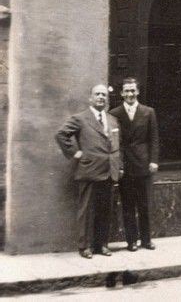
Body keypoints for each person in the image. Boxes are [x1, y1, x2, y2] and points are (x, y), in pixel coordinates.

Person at [55, 84, 122, 259]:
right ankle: (84, 246)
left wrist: (118, 164)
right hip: (89, 170)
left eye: (104, 95)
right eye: (97, 94)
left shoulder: (112, 120)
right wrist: (74, 153)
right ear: (90, 98)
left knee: (105, 209)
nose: (101, 97)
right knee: (86, 210)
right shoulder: (80, 118)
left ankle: (102, 245)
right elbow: (61, 134)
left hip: (109, 171)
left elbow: (116, 145)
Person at [110, 77, 159, 251]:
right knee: (128, 205)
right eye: (126, 91)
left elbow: (153, 139)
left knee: (145, 204)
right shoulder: (114, 114)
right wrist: (119, 165)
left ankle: (146, 240)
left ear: (137, 92)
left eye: (133, 90)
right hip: (125, 166)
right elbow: (116, 142)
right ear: (122, 93)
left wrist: (153, 161)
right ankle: (131, 241)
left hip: (143, 164)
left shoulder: (148, 112)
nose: (130, 94)